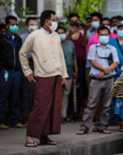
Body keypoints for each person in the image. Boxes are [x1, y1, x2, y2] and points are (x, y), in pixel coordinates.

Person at [19, 10, 69, 147]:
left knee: (53, 108)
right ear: (47, 21)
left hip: (56, 75)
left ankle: (44, 136)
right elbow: (22, 53)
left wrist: (64, 76)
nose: (55, 22)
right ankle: (29, 136)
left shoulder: (57, 36)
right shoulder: (35, 35)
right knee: (39, 107)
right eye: (54, 19)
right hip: (42, 76)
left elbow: (61, 57)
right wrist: (28, 72)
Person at [77, 26, 119, 135]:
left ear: (109, 36)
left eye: (106, 35)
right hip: (96, 79)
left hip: (109, 79)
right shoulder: (93, 47)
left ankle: (103, 126)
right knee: (91, 104)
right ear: (98, 36)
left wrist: (105, 72)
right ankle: (85, 127)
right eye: (102, 35)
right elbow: (92, 61)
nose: (104, 37)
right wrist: (104, 70)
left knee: (106, 106)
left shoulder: (112, 48)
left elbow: (115, 63)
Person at [0, 15, 24, 130]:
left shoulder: (18, 39)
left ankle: (14, 121)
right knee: (2, 97)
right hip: (5, 72)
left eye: (16, 24)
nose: (15, 27)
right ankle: (0, 121)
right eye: (12, 24)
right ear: (7, 26)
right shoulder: (0, 40)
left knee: (15, 97)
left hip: (16, 72)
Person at [67, 13, 88, 119]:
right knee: (69, 89)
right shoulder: (67, 34)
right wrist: (69, 33)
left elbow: (84, 44)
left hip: (81, 64)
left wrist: (84, 29)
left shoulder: (81, 33)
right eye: (72, 21)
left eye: (76, 21)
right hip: (69, 64)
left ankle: (79, 111)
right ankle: (70, 112)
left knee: (81, 88)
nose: (74, 23)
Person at [56, 26, 78, 123]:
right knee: (57, 95)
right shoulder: (54, 44)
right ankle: (56, 116)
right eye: (58, 33)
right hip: (57, 74)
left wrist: (76, 70)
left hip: (69, 73)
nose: (61, 35)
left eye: (62, 32)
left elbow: (74, 58)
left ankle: (63, 116)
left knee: (66, 95)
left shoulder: (70, 44)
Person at [19, 17, 39, 126]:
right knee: (26, 92)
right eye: (31, 24)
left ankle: (35, 118)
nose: (33, 26)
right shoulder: (22, 38)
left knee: (37, 93)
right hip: (27, 64)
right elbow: (21, 54)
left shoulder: (39, 37)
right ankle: (25, 118)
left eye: (35, 24)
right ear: (27, 26)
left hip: (38, 65)